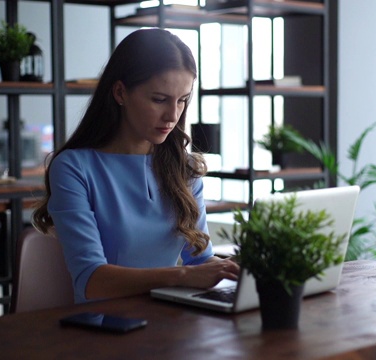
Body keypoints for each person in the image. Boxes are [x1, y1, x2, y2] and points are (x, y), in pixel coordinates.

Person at [32, 28, 239, 303]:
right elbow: (92, 282)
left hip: (172, 321)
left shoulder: (184, 168)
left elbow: (200, 261)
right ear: (120, 92)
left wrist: (237, 272)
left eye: (182, 101)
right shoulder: (73, 168)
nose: (173, 115)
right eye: (159, 99)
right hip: (105, 329)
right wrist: (181, 276)